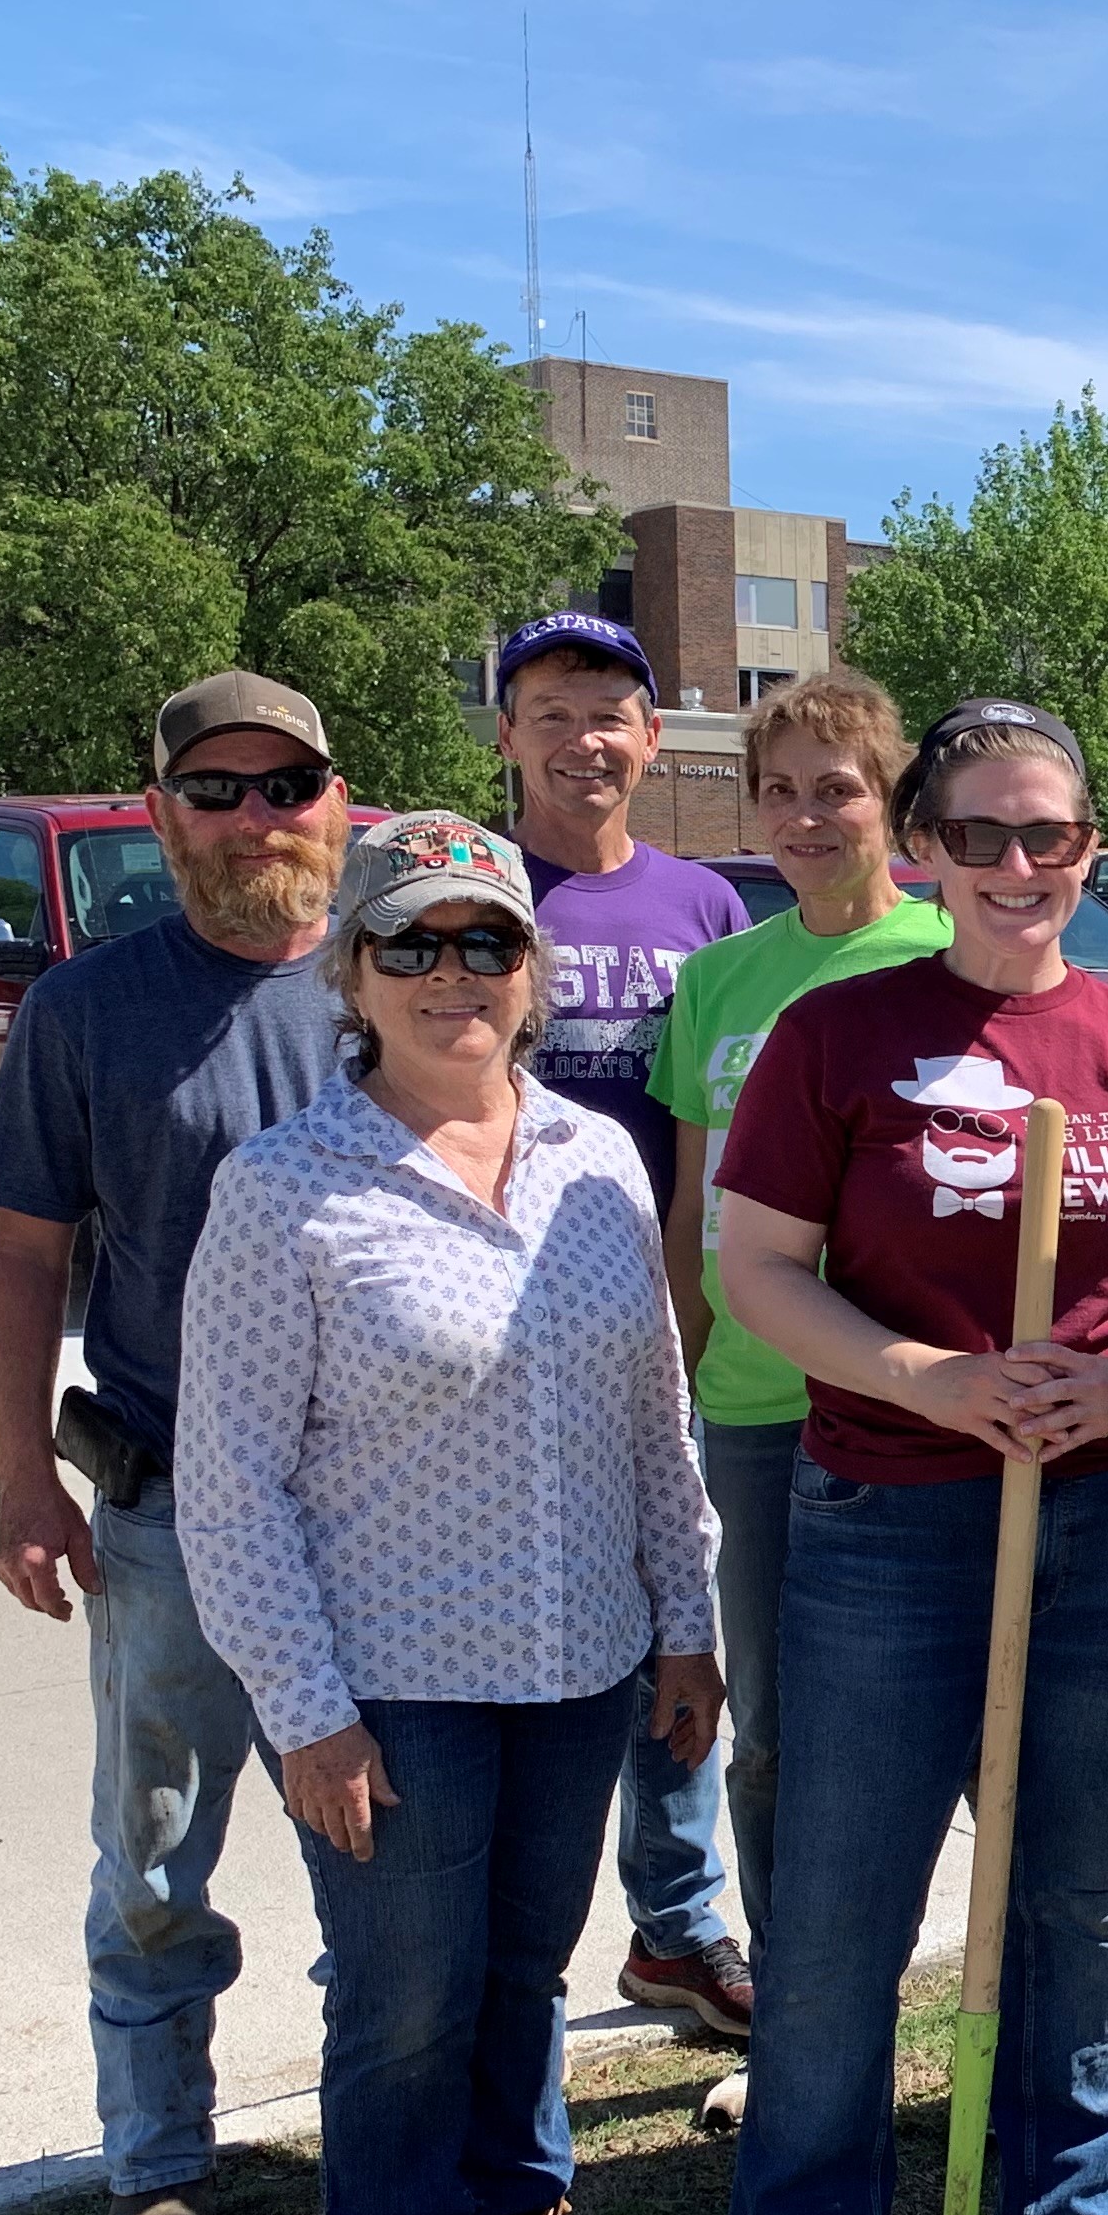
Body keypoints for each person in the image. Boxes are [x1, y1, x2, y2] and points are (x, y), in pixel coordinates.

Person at [713, 698, 1108, 2215]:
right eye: (979, 835)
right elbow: (758, 1271)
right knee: (841, 1907)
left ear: (1088, 852)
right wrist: (933, 1380)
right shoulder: (839, 1036)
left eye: (1049, 837)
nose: (1017, 866)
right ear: (924, 848)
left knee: (1075, 1891)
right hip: (886, 1518)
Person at [175, 814, 723, 2215]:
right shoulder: (287, 1190)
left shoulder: (597, 1162)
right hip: (390, 1693)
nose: (451, 976)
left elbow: (654, 1419)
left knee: (523, 1984)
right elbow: (229, 1483)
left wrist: (687, 1625)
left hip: (580, 1672)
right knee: (404, 2006)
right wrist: (306, 1714)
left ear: (532, 973)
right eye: (409, 944)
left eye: (485, 942)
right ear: (350, 974)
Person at [0, 670, 354, 2215]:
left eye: (288, 786)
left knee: (388, 1865)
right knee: (153, 1863)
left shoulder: (419, 970)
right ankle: (157, 2166)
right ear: (159, 814)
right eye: (218, 790)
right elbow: (19, 1264)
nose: (256, 817)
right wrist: (17, 1485)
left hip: (384, 1516)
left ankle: (392, 2150)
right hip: (172, 1508)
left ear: (342, 805)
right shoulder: (89, 1011)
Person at [651, 668, 950, 2125]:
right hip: (756, 1416)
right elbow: (699, 1201)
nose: (807, 814)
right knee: (767, 1738)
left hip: (911, 1412)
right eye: (780, 789)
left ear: (889, 799)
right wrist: (684, 1380)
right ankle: (801, 2026)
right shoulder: (722, 975)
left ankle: (991, 2019)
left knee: (940, 1738)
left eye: (837, 786)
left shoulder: (950, 950)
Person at [494, 611, 756, 2047]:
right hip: (500, 1336)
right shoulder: (469, 892)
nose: (582, 738)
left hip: (668, 1326)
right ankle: (508, 1940)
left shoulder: (705, 912)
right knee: (534, 1642)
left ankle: (679, 1925)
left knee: (681, 1618)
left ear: (652, 742)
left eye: (610, 712)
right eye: (550, 710)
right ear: (507, 735)